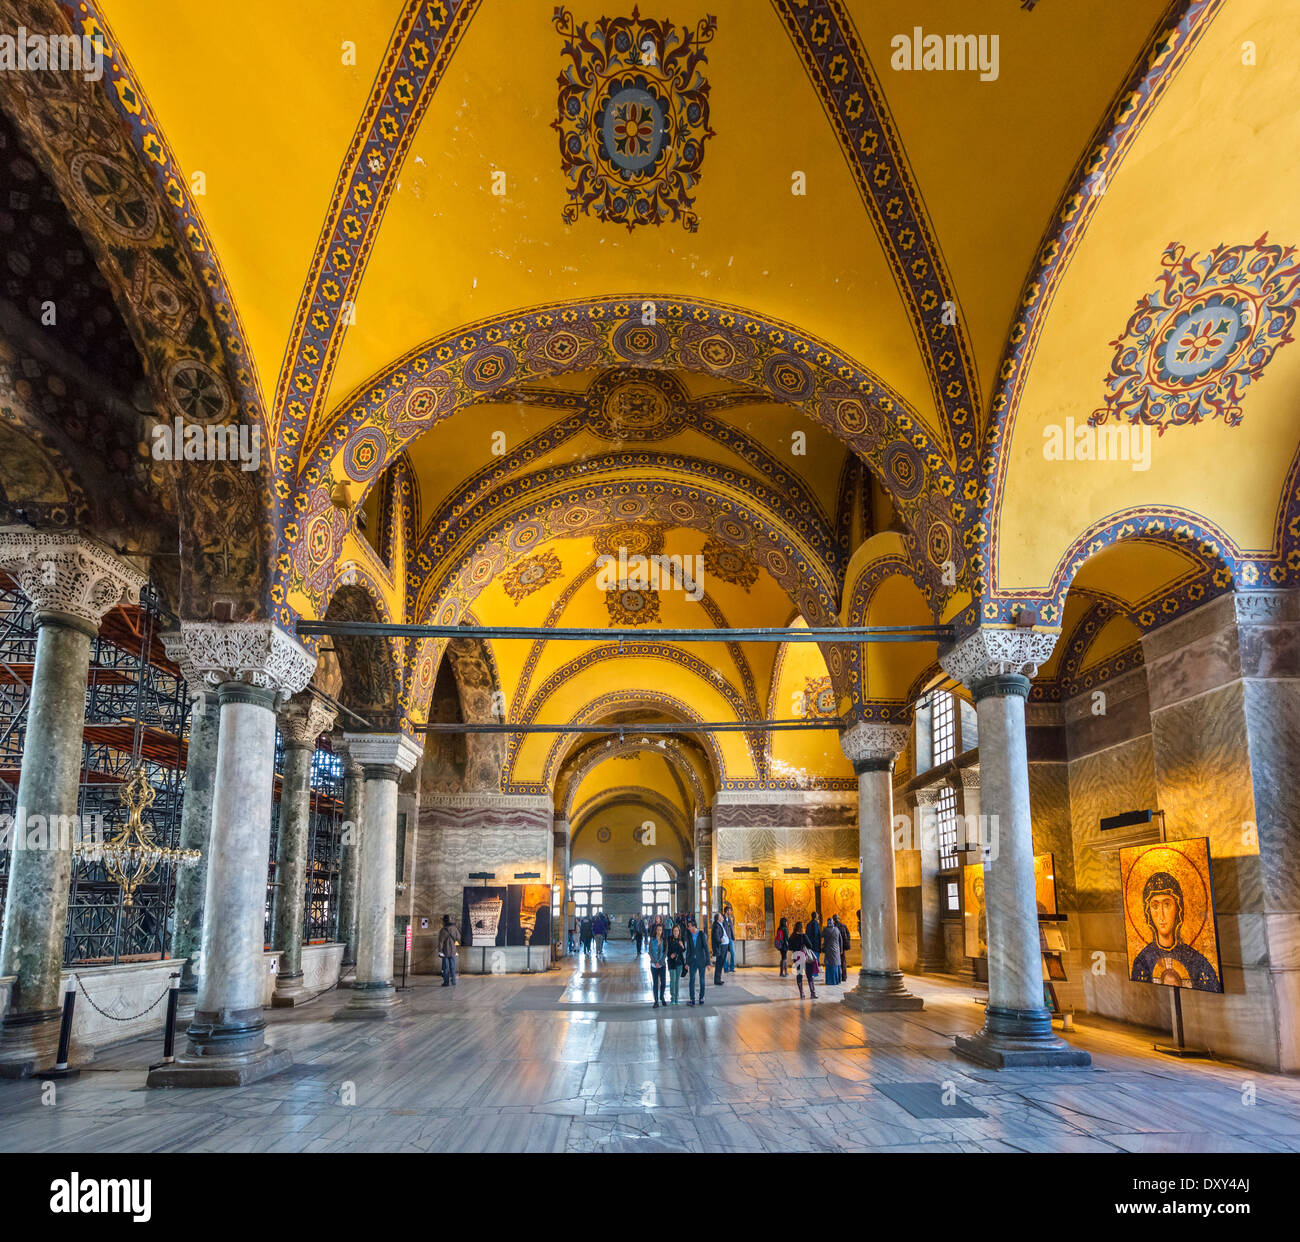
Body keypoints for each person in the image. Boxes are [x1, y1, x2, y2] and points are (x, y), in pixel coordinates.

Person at [788, 920, 817, 999]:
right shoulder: (803, 936)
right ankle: (812, 993)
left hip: (797, 957)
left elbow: (790, 947)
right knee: (809, 975)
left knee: (799, 975)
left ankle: (802, 994)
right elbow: (810, 945)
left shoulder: (792, 937)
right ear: (801, 928)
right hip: (804, 956)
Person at [685, 918, 710, 1006]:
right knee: (691, 980)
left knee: (702, 980)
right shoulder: (689, 935)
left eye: (689, 926)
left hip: (701, 961)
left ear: (694, 926)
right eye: (688, 927)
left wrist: (708, 963)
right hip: (692, 961)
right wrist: (687, 962)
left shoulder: (701, 934)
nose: (688, 928)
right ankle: (692, 999)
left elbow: (706, 948)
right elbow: (688, 950)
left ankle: (701, 998)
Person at [648, 922, 668, 1008]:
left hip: (662, 965)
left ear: (662, 931)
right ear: (656, 930)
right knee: (655, 983)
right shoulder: (652, 940)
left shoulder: (664, 940)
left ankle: (662, 997)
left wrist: (660, 962)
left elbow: (665, 952)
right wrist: (655, 961)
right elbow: (650, 951)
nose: (659, 931)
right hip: (653, 965)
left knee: (663, 983)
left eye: (661, 930)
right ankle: (656, 1001)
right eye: (658, 930)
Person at [666, 923, 686, 1005]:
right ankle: (672, 997)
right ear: (672, 931)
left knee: (677, 981)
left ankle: (677, 998)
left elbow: (683, 950)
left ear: (679, 931)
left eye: (677, 931)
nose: (676, 932)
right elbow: (666, 950)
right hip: (671, 962)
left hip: (679, 962)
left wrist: (683, 946)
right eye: (674, 931)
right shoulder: (669, 939)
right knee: (672, 980)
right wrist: (670, 955)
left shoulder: (681, 939)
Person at [438, 914, 459, 987]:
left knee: (445, 967)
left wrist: (440, 951)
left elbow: (440, 942)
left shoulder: (443, 930)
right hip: (453, 950)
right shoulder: (455, 929)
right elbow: (458, 939)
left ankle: (446, 982)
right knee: (453, 966)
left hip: (445, 951)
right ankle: (453, 981)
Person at [711, 911, 730, 987]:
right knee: (719, 964)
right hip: (721, 947)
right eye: (721, 917)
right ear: (718, 919)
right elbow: (715, 936)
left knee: (721, 963)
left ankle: (718, 979)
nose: (722, 917)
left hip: (724, 946)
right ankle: (717, 980)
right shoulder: (716, 925)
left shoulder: (720, 924)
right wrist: (720, 940)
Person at [823, 913, 843, 986]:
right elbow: (840, 940)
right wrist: (841, 950)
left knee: (830, 965)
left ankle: (831, 981)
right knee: (836, 965)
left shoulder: (826, 930)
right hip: (837, 950)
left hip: (829, 950)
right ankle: (837, 980)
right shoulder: (837, 929)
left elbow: (821, 936)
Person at [723, 903, 737, 973]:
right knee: (725, 954)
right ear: (726, 911)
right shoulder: (722, 919)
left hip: (730, 938)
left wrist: (733, 937)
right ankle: (726, 968)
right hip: (724, 939)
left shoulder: (729, 919)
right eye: (729, 910)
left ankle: (732, 968)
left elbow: (731, 928)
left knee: (733, 953)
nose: (730, 912)